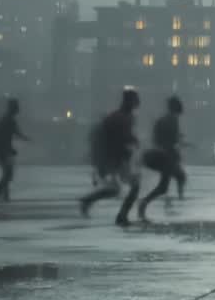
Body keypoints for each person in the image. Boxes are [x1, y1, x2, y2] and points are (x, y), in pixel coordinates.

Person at [79, 90, 142, 226]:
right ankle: (121, 216)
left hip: (115, 159)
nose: (138, 104)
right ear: (130, 102)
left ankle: (89, 201)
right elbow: (119, 138)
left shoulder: (120, 116)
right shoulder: (122, 118)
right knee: (132, 186)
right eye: (136, 100)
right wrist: (132, 142)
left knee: (117, 189)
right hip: (114, 159)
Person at [138, 96, 188, 221]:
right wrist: (176, 144)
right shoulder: (171, 120)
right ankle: (144, 203)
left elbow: (158, 138)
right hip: (166, 157)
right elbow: (170, 141)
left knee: (178, 177)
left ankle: (174, 198)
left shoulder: (165, 119)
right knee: (168, 183)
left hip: (164, 156)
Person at [0, 99, 29, 206]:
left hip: (1, 150)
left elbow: (12, 134)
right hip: (2, 150)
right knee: (8, 174)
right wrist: (10, 149)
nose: (19, 109)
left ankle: (5, 196)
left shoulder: (6, 119)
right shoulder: (9, 121)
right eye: (17, 107)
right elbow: (10, 136)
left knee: (7, 172)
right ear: (14, 108)